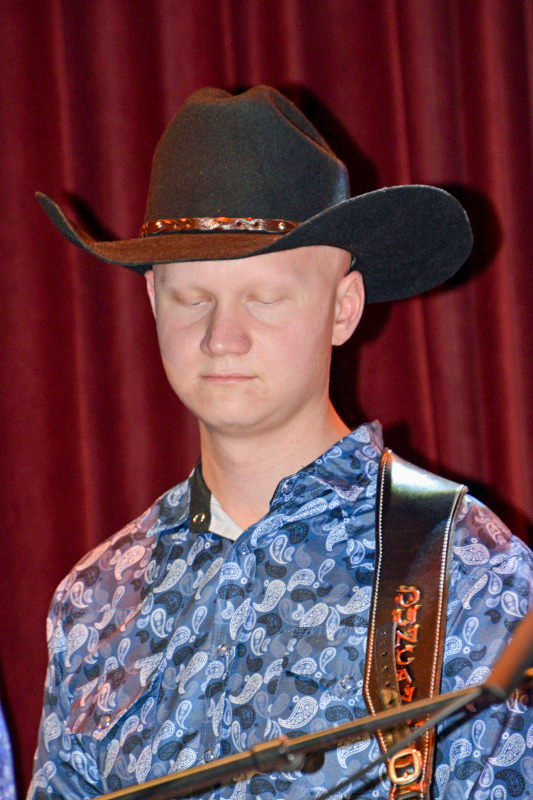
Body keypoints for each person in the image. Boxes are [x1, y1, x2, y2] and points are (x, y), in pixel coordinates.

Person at [28, 87, 533, 800]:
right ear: (150, 302)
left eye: (263, 298)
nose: (220, 337)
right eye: (191, 297)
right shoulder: (91, 602)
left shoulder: (471, 575)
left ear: (343, 307)